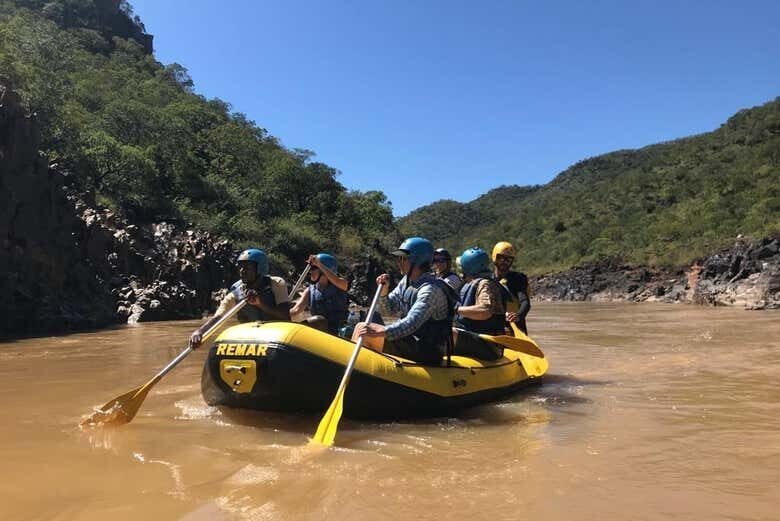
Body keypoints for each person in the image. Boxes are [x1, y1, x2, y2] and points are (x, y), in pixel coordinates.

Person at [355, 237, 456, 365]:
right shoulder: (406, 281)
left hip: (428, 350)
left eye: (403, 258)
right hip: (411, 341)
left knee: (368, 332)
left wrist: (381, 332)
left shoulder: (430, 290)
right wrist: (384, 292)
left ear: (417, 260)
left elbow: (411, 323)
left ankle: (360, 369)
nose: (399, 262)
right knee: (366, 322)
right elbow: (389, 311)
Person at [189, 248, 290, 348]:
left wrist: (260, 304)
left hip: (278, 335)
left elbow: (285, 316)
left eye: (247, 268)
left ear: (260, 269)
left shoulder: (276, 283)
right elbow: (218, 318)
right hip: (254, 338)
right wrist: (200, 331)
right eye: (241, 267)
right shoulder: (235, 293)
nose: (242, 271)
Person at [289, 253, 350, 335]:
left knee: (319, 320)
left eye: (313, 268)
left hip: (339, 332)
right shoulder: (309, 290)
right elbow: (296, 310)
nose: (310, 271)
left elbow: (342, 284)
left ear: (324, 270)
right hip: (320, 330)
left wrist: (319, 264)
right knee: (318, 320)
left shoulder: (341, 284)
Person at [454, 247, 506, 335]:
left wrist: (456, 310)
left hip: (485, 338)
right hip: (471, 332)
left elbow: (485, 311)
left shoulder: (485, 284)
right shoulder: (470, 282)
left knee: (447, 335)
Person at [492, 241, 531, 335]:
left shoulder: (518, 279)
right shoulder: (487, 279)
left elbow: (525, 302)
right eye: (501, 258)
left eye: (508, 259)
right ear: (495, 258)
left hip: (515, 325)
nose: (504, 262)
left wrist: (519, 315)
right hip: (495, 327)